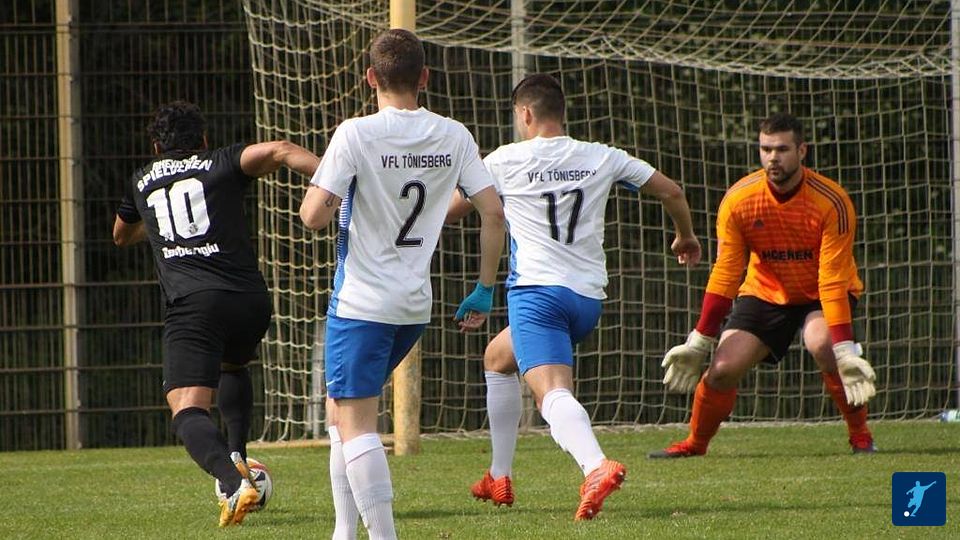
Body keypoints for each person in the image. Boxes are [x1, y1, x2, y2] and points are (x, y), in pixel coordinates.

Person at [447, 74, 701, 520]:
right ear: (560, 113)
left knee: (551, 395)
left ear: (525, 114)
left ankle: (596, 465)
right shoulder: (602, 156)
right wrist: (685, 236)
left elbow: (454, 210)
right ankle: (498, 475)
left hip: (536, 295)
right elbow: (672, 191)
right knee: (497, 358)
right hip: (586, 299)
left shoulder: (504, 159)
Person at [298, 29, 505, 540]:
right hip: (413, 306)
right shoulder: (454, 134)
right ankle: (344, 531)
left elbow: (312, 217)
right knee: (340, 411)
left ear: (370, 77)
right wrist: (484, 289)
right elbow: (493, 211)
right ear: (425, 78)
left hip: (362, 303)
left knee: (356, 425)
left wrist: (335, 188)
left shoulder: (355, 134)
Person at [113, 101, 321, 526]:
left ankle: (232, 482)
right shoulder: (221, 162)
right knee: (232, 365)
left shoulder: (141, 181)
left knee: (186, 410)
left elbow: (121, 234)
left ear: (156, 147)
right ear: (204, 140)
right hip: (250, 301)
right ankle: (238, 455)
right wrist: (336, 181)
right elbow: (281, 149)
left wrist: (157, 224)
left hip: (195, 306)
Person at [650, 112, 878, 459]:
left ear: (802, 151)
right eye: (766, 149)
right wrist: (699, 340)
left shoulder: (831, 201)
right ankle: (695, 444)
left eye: (782, 149)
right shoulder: (739, 199)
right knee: (723, 369)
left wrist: (845, 350)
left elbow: (832, 279)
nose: (773, 158)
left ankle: (860, 436)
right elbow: (726, 272)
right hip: (765, 292)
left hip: (821, 293)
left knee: (823, 344)